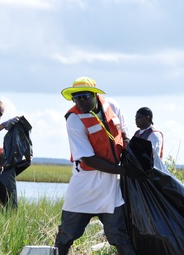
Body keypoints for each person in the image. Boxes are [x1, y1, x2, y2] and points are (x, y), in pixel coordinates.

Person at [54, 77, 136, 255]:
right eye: (76, 98)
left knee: (119, 235)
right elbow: (88, 159)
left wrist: (128, 144)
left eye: (84, 97)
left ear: (94, 95)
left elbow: (124, 128)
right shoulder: (74, 119)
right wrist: (124, 170)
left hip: (111, 185)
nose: (80, 102)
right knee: (66, 234)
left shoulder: (112, 106)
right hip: (85, 183)